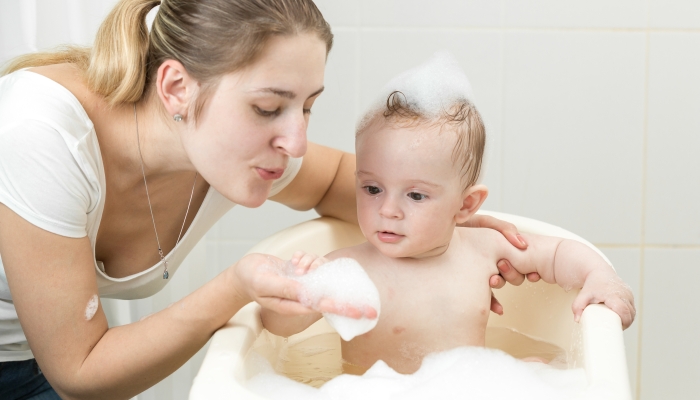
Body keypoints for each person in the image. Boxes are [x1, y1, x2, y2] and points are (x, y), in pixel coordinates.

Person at [0, 1, 529, 399]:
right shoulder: (39, 132)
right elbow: (80, 374)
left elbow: (336, 183)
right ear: (178, 88)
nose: (296, 142)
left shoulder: (226, 145)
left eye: (306, 108)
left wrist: (457, 243)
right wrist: (235, 287)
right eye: (269, 107)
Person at [260, 52, 636, 375]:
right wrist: (303, 290)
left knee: (539, 371)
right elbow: (275, 327)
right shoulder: (346, 270)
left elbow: (556, 254)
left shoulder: (483, 250)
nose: (388, 210)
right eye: (372, 188)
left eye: (416, 195)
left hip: (468, 386)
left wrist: (600, 276)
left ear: (467, 205)